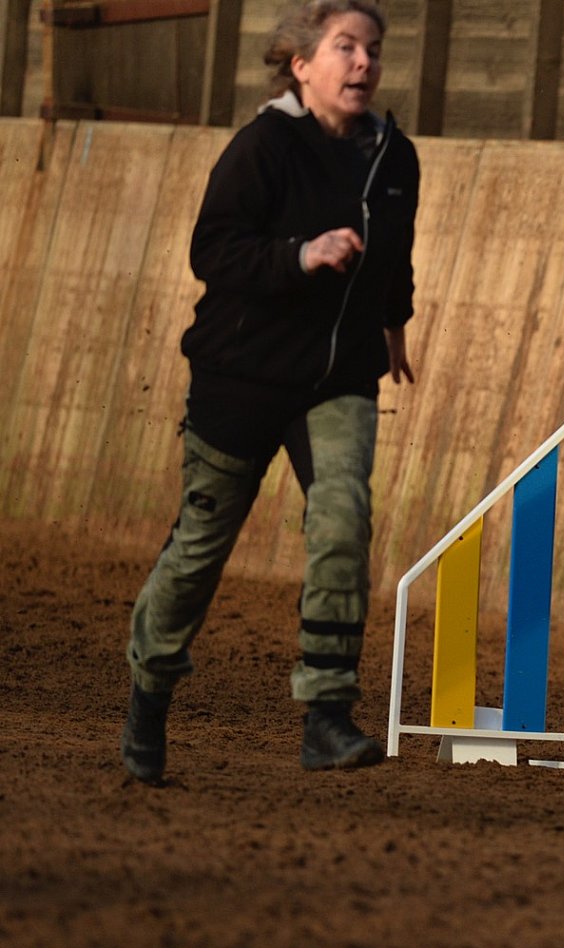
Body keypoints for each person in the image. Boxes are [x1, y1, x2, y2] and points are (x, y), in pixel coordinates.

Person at [121, 0, 419, 784]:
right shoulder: (261, 147)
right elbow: (213, 250)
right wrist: (300, 255)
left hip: (339, 381)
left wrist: (395, 322)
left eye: (373, 49)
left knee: (343, 521)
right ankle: (149, 690)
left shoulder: (395, 155)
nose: (364, 63)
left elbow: (396, 251)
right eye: (346, 47)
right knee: (199, 551)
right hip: (241, 379)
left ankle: (327, 713)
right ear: (301, 63)